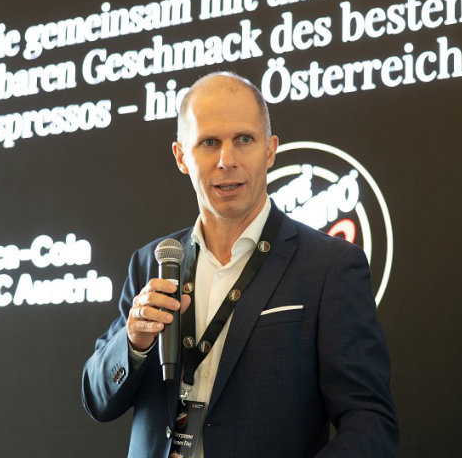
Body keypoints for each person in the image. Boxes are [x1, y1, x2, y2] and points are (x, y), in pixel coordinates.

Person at [82, 72, 398, 457]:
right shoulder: (152, 262)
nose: (226, 161)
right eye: (209, 142)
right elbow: (97, 400)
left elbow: (369, 423)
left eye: (244, 140)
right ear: (181, 156)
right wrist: (133, 342)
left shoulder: (329, 266)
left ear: (270, 149)